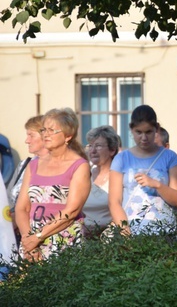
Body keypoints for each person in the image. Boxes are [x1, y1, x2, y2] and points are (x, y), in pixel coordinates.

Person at [14, 108, 91, 261]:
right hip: (31, 243)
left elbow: (71, 211)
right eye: (43, 130)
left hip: (64, 242)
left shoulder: (79, 165)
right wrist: (28, 240)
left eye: (51, 130)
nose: (46, 134)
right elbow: (22, 208)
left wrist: (38, 236)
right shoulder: (34, 165)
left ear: (68, 136)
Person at [110, 105, 177, 235]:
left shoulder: (169, 156)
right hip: (131, 232)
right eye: (139, 132)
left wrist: (157, 185)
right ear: (131, 130)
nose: (144, 138)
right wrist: (125, 233)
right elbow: (114, 202)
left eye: (149, 132)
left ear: (157, 129)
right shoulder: (121, 159)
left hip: (165, 232)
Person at [7, 116, 48, 243]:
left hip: (40, 235)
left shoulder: (56, 167)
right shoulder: (25, 164)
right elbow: (9, 199)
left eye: (31, 135)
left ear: (45, 136)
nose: (26, 140)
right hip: (16, 235)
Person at [81, 126, 119, 236]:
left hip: (109, 238)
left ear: (112, 150)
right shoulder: (84, 175)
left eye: (98, 146)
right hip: (83, 237)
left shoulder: (119, 177)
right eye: (90, 146)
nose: (92, 151)